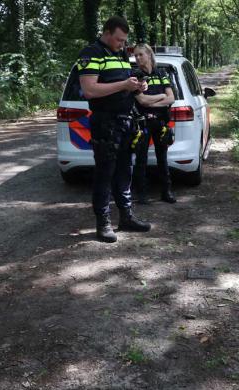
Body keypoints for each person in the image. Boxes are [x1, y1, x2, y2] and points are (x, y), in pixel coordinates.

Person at [76, 16, 151, 243]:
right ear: (107, 33)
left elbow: (126, 82)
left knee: (124, 171)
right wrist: (124, 85)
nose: (122, 44)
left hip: (126, 121)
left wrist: (138, 86)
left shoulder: (120, 55)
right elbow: (90, 90)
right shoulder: (91, 53)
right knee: (104, 173)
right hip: (105, 123)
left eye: (124, 40)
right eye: (119, 39)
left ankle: (126, 217)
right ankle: (103, 223)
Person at [132, 44, 177, 204]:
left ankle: (166, 192)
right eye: (135, 55)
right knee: (141, 160)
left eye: (140, 55)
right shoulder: (135, 76)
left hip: (160, 122)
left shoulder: (162, 73)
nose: (137, 58)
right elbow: (142, 100)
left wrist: (152, 102)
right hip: (142, 123)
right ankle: (142, 195)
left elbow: (171, 98)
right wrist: (160, 96)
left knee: (162, 159)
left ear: (149, 55)